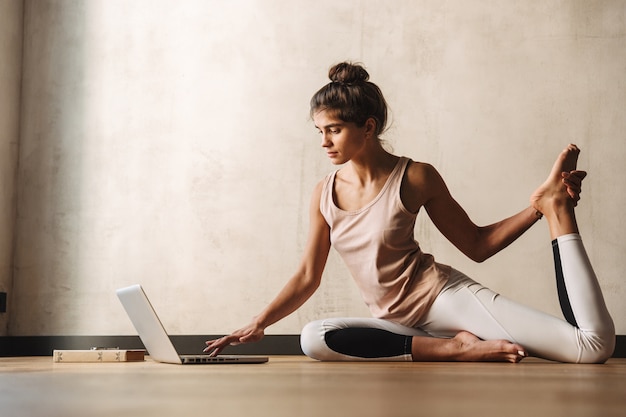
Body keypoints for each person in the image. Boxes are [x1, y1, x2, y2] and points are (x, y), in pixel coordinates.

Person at [205, 62, 615, 363]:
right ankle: (457, 349)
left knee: (593, 347)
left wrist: (537, 210)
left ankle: (558, 209)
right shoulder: (323, 193)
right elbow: (308, 276)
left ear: (367, 127)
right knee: (314, 337)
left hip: (443, 300)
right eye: (320, 131)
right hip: (399, 324)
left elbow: (477, 245)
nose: (325, 142)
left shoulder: (415, 177)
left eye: (334, 130)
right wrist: (259, 322)